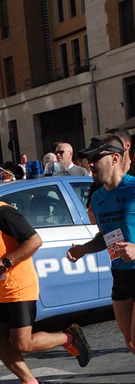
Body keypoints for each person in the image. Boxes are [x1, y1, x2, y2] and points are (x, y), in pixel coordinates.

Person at [0, 167, 91, 384]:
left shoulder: (3, 213)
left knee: (22, 343)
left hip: (19, 288)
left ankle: (69, 337)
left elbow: (34, 240)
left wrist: (7, 262)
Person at [67, 133, 135, 363]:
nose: (90, 164)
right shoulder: (97, 198)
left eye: (96, 157)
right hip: (121, 275)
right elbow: (105, 235)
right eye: (89, 159)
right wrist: (83, 250)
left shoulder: (133, 189)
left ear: (115, 158)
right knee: (131, 342)